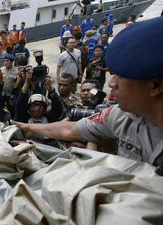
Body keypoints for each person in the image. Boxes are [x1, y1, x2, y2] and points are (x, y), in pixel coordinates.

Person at [13, 17, 163, 167]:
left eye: (121, 77)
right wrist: (29, 127)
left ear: (155, 86)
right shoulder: (118, 117)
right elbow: (70, 128)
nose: (111, 83)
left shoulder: (104, 107)